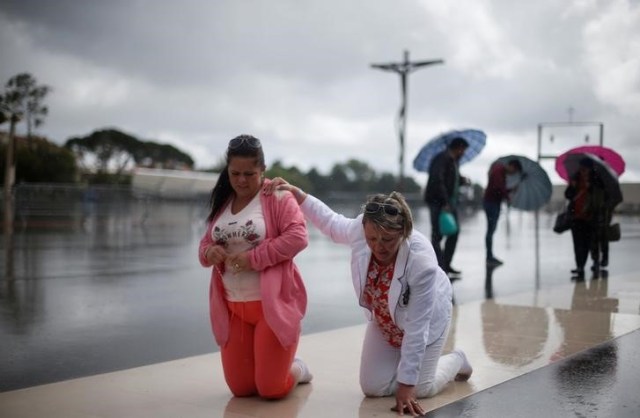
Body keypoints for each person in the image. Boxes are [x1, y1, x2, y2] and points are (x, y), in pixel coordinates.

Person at [265, 179, 472, 417]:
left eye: (388, 240)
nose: (378, 247)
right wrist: (299, 195)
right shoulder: (361, 231)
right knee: (373, 388)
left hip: (427, 319)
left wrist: (406, 387)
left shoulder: (421, 262)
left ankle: (457, 359)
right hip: (385, 320)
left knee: (421, 389)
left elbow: (417, 328)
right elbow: (331, 222)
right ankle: (411, 368)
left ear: (403, 232)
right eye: (372, 239)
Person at [197, 134, 312, 399]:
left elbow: (298, 238)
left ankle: (298, 369)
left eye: (249, 173)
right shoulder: (223, 202)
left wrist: (252, 258)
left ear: (263, 169)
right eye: (235, 173)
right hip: (232, 309)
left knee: (271, 390)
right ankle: (276, 365)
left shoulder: (278, 197)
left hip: (271, 308)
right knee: (241, 390)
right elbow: (203, 247)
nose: (241, 180)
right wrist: (210, 252)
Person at [424, 137, 470, 277]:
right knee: (437, 235)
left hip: (449, 202)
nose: (464, 153)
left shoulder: (453, 161)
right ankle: (440, 267)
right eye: (463, 150)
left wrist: (462, 180)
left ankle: (445, 264)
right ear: (459, 147)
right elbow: (437, 179)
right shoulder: (442, 158)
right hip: (439, 202)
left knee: (453, 232)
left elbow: (451, 179)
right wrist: (444, 202)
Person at [564, 157, 606, 279]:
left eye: (585, 168)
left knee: (587, 243)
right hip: (575, 215)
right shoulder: (575, 178)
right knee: (577, 243)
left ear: (590, 168)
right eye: (581, 168)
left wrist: (591, 187)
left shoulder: (597, 179)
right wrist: (572, 186)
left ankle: (587, 263)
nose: (583, 171)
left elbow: (601, 196)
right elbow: (568, 195)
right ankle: (580, 266)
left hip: (590, 216)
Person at [482, 159, 523, 266]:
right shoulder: (499, 171)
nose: (513, 173)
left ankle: (489, 256)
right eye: (514, 171)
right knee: (490, 230)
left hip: (493, 203)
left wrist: (509, 191)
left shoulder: (500, 172)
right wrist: (507, 196)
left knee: (491, 230)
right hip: (491, 203)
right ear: (511, 166)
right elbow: (498, 188)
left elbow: (500, 188)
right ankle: (489, 257)